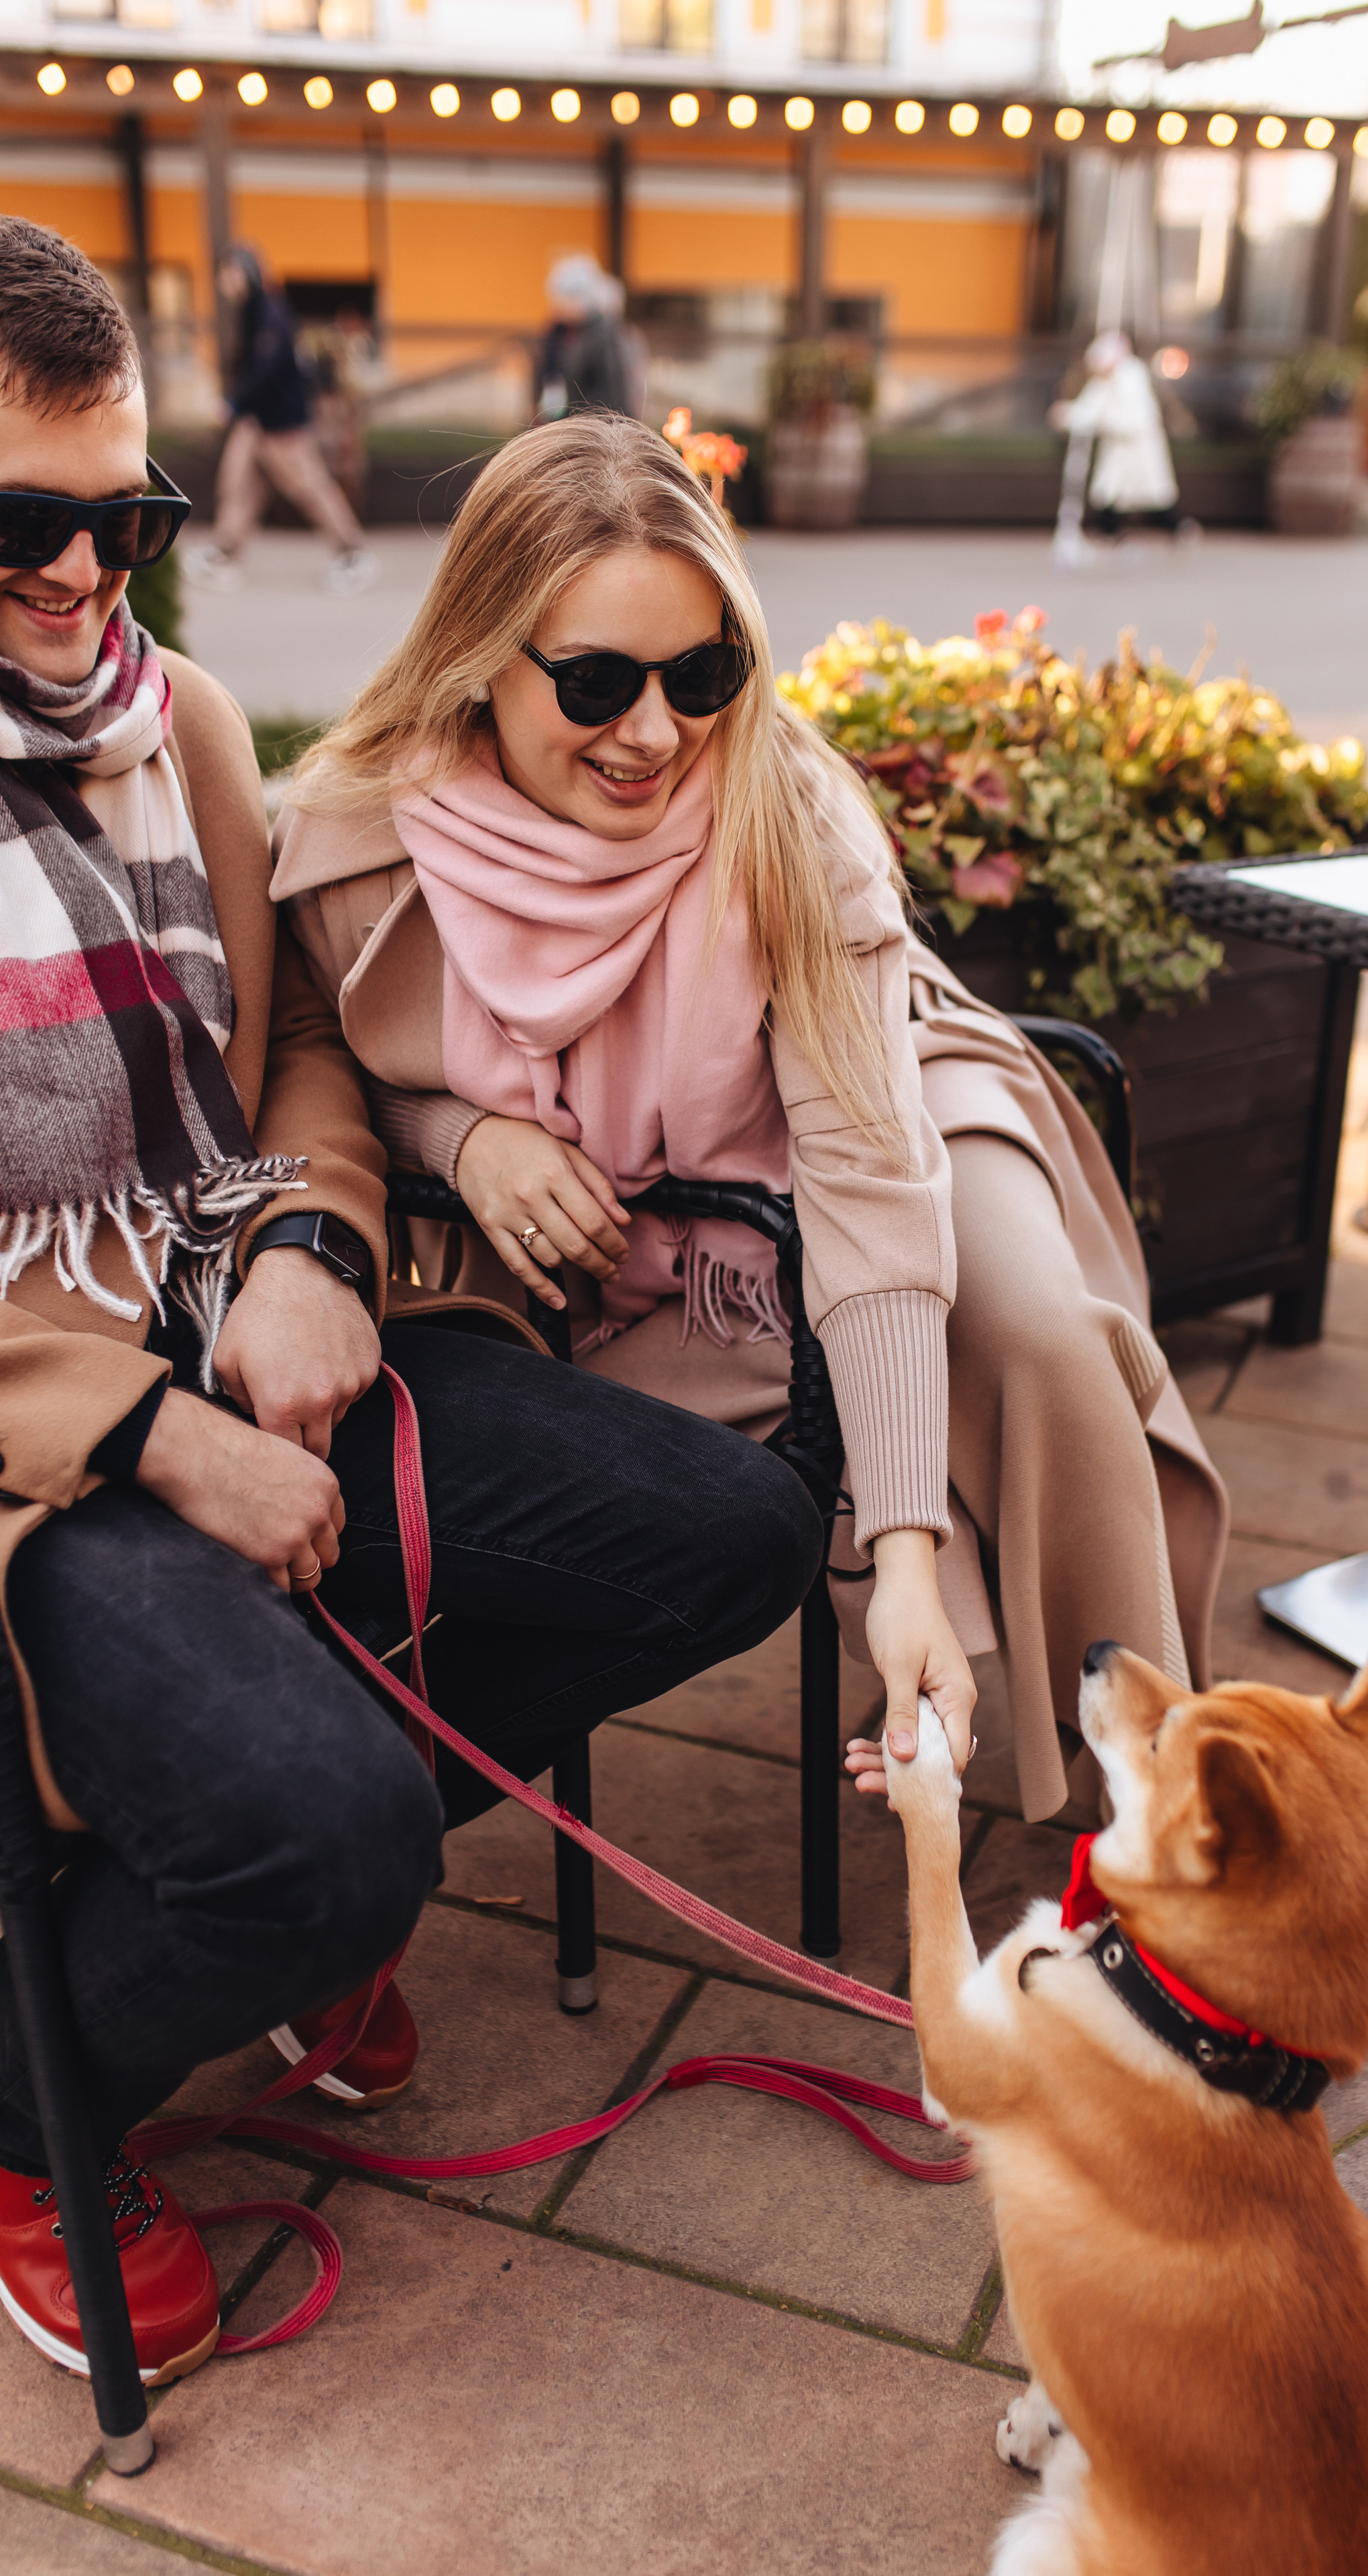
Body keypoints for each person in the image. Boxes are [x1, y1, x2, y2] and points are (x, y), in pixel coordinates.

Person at [0, 214, 819, 2390]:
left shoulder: (188, 721)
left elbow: (299, 1046)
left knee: (736, 1529)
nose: (81, 576)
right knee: (333, 1839)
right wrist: (152, 1435)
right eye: (22, 523)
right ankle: (7, 2072)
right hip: (18, 1434)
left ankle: (231, 1872)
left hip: (247, 1303)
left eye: (121, 515)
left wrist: (311, 1246)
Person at [273, 411, 1229, 1837]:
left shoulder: (790, 818)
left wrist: (899, 1548)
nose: (655, 732)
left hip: (894, 1101)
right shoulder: (358, 840)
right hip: (640, 1242)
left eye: (702, 672)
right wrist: (458, 1135)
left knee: (1028, 1336)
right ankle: (326, 1831)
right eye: (595, 681)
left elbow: (866, 1176)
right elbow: (326, 1064)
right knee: (620, 1507)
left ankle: (1151, 1802)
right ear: (480, 654)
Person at [186, 247, 378, 596]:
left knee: (309, 487)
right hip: (257, 420)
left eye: (230, 272)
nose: (224, 281)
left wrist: (232, 401)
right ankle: (224, 552)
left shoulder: (271, 311)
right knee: (238, 482)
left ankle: (353, 552)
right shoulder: (251, 311)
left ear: (247, 273)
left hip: (281, 423)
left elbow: (266, 367)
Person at [1049, 331, 1192, 569]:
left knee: (1154, 499)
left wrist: (1100, 421)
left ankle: (1181, 530)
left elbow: (1135, 420)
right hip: (1117, 453)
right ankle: (1111, 537)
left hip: (1138, 453)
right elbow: (1089, 409)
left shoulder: (1132, 379)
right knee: (1108, 495)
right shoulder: (1104, 381)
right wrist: (1068, 415)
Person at [533, 254, 640, 423]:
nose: (563, 305)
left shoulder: (603, 334)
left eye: (569, 298)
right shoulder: (556, 334)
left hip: (593, 427)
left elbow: (613, 391)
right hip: (562, 424)